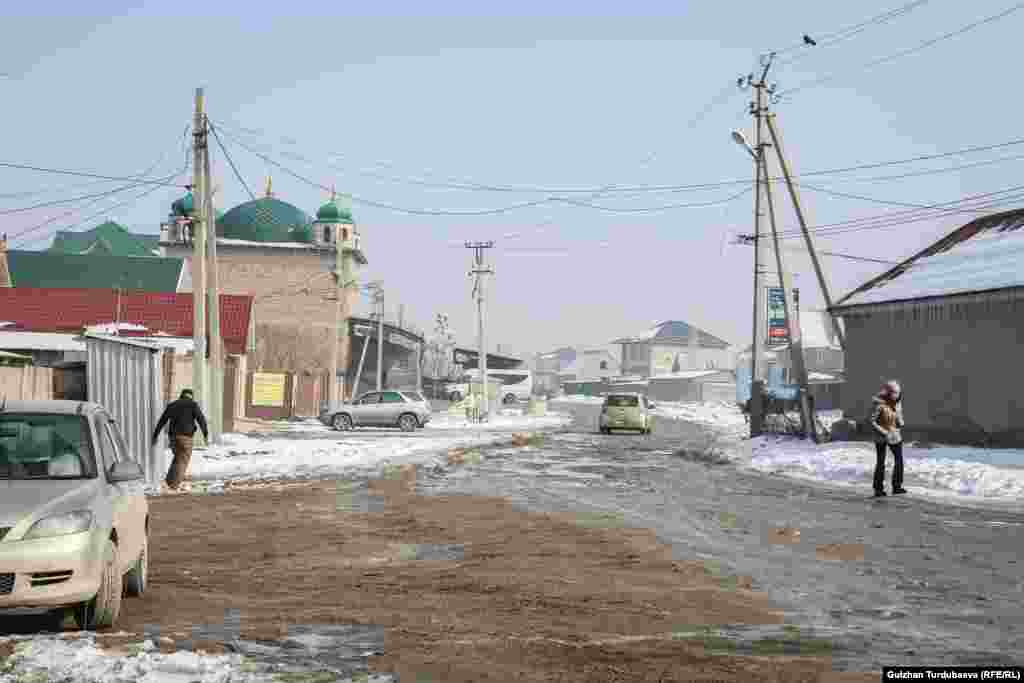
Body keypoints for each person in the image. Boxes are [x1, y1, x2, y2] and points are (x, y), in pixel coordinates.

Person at [152, 389, 209, 490]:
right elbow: (201, 419)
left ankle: (169, 482)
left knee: (178, 459)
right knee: (182, 461)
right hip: (185, 438)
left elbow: (162, 420)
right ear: (191, 396)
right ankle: (173, 485)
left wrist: (155, 436)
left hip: (173, 438)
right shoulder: (193, 405)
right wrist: (205, 434)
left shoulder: (172, 405)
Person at [870, 380, 906, 497]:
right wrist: (884, 432)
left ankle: (897, 486)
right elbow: (872, 421)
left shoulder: (897, 404)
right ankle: (878, 489)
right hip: (881, 437)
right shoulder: (879, 404)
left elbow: (898, 417)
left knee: (899, 460)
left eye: (898, 393)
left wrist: (900, 421)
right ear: (888, 392)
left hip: (895, 435)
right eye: (894, 393)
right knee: (881, 462)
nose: (897, 395)